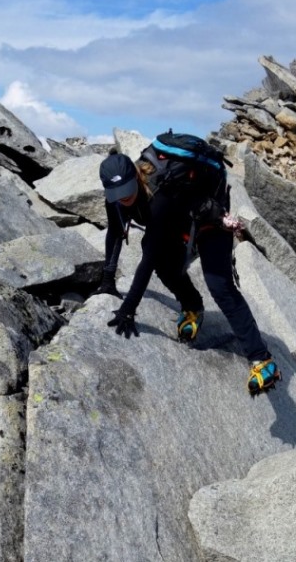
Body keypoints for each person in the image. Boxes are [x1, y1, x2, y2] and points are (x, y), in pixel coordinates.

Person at [97, 150, 281, 394]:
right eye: (117, 195)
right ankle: (192, 306)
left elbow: (147, 260)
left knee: (219, 285)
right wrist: (108, 278)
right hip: (178, 224)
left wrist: (128, 310)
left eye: (128, 190)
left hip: (208, 220)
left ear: (136, 177)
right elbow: (115, 232)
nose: (124, 198)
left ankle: (262, 359)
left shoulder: (158, 196)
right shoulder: (115, 199)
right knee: (163, 260)